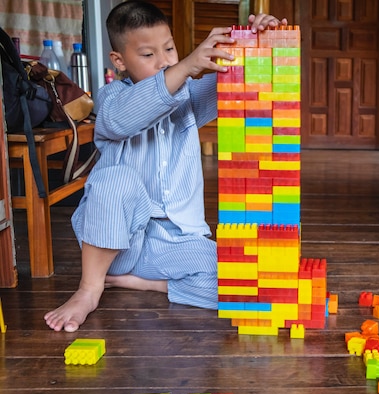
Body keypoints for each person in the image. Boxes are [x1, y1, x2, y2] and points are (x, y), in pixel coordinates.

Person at [44, 0, 288, 332]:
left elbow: (237, 86)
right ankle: (90, 288)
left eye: (170, 49)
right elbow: (122, 119)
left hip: (176, 243)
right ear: (119, 61)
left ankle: (141, 283)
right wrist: (186, 65)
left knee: (244, 281)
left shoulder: (187, 97)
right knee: (114, 179)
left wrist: (258, 44)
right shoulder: (111, 97)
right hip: (120, 244)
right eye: (148, 55)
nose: (164, 61)